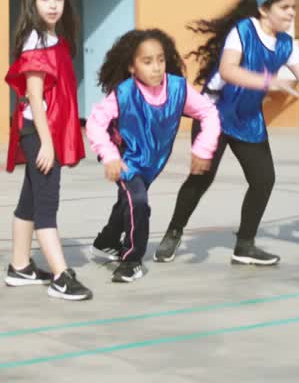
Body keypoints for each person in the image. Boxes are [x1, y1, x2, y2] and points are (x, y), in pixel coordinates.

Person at [154, 0, 299, 266]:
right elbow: (228, 70)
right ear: (263, 9)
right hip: (215, 113)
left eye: (293, 7)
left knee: (264, 180)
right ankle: (174, 231)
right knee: (202, 177)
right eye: (284, 7)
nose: (291, 13)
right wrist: (268, 82)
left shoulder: (286, 44)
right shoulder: (244, 31)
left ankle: (244, 245)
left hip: (247, 119)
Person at [85, 29, 220, 283]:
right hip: (125, 157)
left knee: (127, 202)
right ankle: (131, 260)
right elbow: (95, 123)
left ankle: (106, 241)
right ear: (132, 66)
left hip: (153, 161)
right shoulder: (124, 93)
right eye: (147, 62)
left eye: (160, 60)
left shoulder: (178, 88)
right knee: (138, 201)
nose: (156, 67)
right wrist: (109, 155)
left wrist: (203, 148)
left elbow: (209, 112)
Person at [3, 0, 92, 300]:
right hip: (40, 132)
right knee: (46, 204)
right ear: (33, 2)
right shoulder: (36, 42)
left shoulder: (56, 40)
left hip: (45, 132)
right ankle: (60, 275)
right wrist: (47, 143)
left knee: (29, 199)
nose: (53, 4)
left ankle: (19, 266)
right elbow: (34, 97)